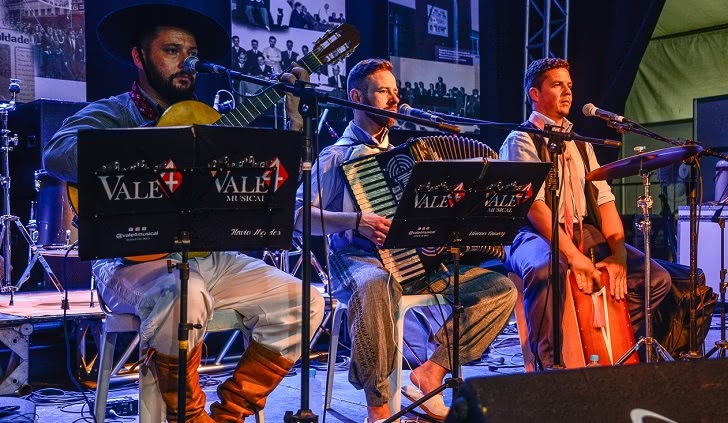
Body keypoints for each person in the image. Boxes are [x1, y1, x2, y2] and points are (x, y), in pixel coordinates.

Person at [42, 5, 324, 422]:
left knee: (304, 300)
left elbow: (274, 183)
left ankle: (231, 413)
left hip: (206, 256)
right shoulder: (114, 112)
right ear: (139, 58)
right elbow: (57, 155)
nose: (187, 62)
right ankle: (189, 417)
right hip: (130, 260)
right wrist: (153, 145)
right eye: (172, 50)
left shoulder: (208, 120)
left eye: (191, 52)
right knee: (183, 296)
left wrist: (296, 120)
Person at [294, 58, 517, 423]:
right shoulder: (336, 157)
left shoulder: (410, 156)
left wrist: (440, 237)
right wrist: (356, 220)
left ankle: (431, 372)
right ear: (357, 97)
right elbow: (298, 218)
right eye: (384, 91)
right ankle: (378, 408)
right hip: (357, 258)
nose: (394, 99)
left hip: (415, 264)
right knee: (374, 285)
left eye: (396, 92)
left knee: (499, 289)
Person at [498, 58, 671, 370]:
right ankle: (549, 365)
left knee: (655, 278)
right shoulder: (520, 139)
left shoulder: (579, 143)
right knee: (545, 267)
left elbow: (604, 201)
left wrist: (617, 253)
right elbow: (535, 208)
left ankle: (607, 347)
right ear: (535, 94)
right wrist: (575, 258)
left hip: (580, 227)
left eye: (569, 86)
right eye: (557, 85)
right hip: (528, 232)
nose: (567, 92)